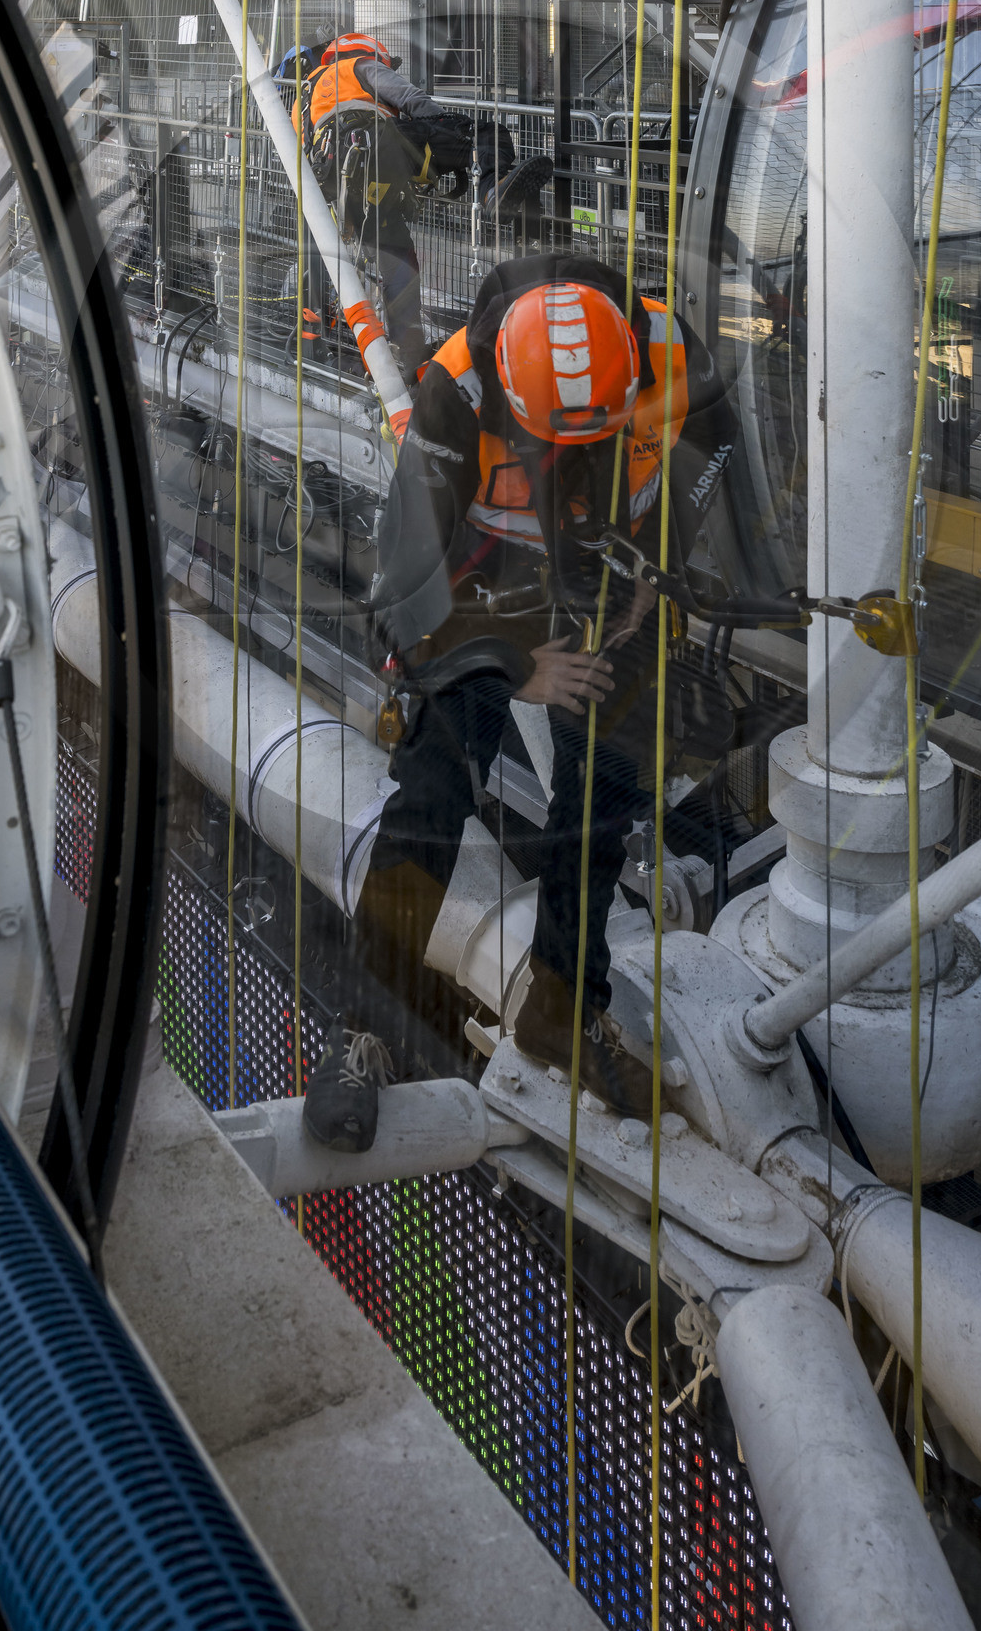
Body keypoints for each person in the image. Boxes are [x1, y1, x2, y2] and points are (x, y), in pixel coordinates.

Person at [303, 252, 742, 1149]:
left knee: (599, 807)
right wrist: (511, 665)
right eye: (554, 449)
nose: (569, 468)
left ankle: (561, 1011)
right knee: (431, 798)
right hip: (486, 592)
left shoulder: (663, 350)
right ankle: (363, 1032)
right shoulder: (457, 392)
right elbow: (400, 597)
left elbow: (714, 451)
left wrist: (653, 578)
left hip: (621, 579)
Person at [290, 30, 472, 372]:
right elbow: (411, 99)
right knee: (398, 263)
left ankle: (312, 340)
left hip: (325, 188)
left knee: (322, 264)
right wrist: (453, 133)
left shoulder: (308, 90)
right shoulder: (361, 67)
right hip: (370, 172)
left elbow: (295, 146)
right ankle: (409, 349)